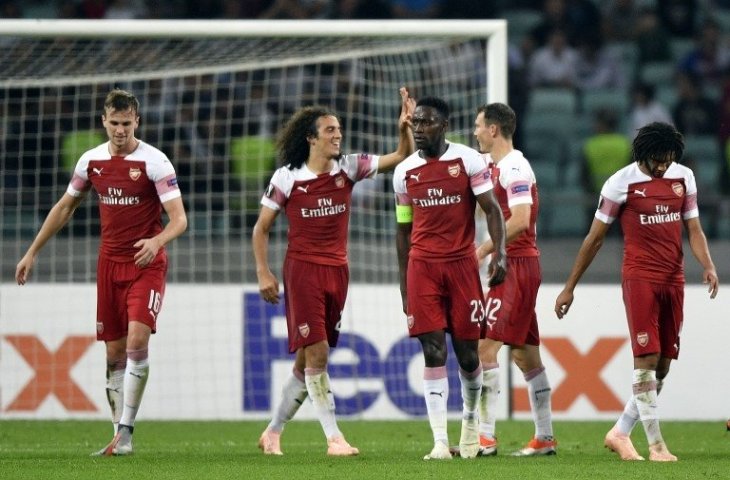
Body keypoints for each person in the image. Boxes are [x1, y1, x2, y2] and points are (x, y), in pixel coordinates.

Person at [15, 88, 188, 456]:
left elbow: (180, 220)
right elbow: (65, 207)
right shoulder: (90, 162)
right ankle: (117, 437)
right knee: (114, 355)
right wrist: (32, 252)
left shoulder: (155, 163)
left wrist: (156, 242)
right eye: (114, 123)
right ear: (104, 122)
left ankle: (126, 430)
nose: (121, 130)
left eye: (127, 123)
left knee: (138, 341)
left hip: (146, 264)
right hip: (109, 265)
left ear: (137, 121)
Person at [253, 87, 415, 456]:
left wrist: (402, 125)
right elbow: (261, 227)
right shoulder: (287, 177)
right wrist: (263, 272)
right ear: (311, 138)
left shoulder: (349, 167)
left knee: (305, 360)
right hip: (303, 271)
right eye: (329, 131)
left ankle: (273, 433)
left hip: (338, 271)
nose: (337, 135)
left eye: (338, 130)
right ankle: (334, 438)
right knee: (319, 354)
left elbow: (401, 155)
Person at [554, 122, 719, 462]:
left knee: (663, 366)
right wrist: (569, 287)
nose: (662, 166)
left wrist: (708, 264)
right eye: (656, 159)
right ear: (642, 154)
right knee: (644, 360)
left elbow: (695, 229)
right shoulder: (621, 182)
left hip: (673, 278)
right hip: (640, 277)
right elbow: (594, 238)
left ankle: (620, 432)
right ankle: (657, 447)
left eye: (668, 159)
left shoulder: (683, 177)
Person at [393, 96, 507, 460]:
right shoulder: (404, 171)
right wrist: (403, 282)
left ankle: (470, 428)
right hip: (422, 268)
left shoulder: (467, 160)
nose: (419, 128)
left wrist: (500, 253)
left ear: (443, 125)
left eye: (426, 123)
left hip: (461, 267)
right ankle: (441, 442)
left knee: (468, 354)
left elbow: (492, 210)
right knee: (432, 350)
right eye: (416, 123)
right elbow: (402, 230)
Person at [472, 103, 557, 457]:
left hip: (516, 265)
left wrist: (481, 251)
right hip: (516, 265)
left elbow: (520, 219)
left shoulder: (515, 167)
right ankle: (544, 437)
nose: (475, 131)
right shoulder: (495, 168)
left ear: (493, 129)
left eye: (478, 126)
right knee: (525, 356)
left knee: (485, 347)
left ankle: (485, 438)